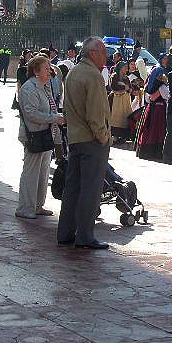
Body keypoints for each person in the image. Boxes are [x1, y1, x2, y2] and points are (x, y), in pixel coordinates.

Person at [57, 37, 112, 250]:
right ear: (92, 53)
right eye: (103, 52)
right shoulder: (93, 76)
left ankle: (65, 232)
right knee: (90, 188)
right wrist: (102, 136)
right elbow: (96, 113)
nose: (106, 56)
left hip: (75, 137)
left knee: (72, 188)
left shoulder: (73, 72)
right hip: (91, 139)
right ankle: (85, 235)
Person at [16, 55, 64, 219]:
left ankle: (37, 205)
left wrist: (56, 117)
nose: (49, 70)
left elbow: (50, 108)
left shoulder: (45, 86)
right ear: (36, 71)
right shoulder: (29, 88)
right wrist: (54, 118)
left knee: (43, 172)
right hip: (34, 135)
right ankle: (25, 207)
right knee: (31, 171)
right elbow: (31, 113)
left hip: (47, 134)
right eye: (46, 68)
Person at [135, 55, 169, 160]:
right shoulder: (162, 86)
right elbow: (167, 96)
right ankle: (155, 153)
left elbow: (148, 98)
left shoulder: (149, 86)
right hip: (159, 110)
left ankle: (145, 151)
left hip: (150, 109)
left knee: (148, 130)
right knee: (157, 131)